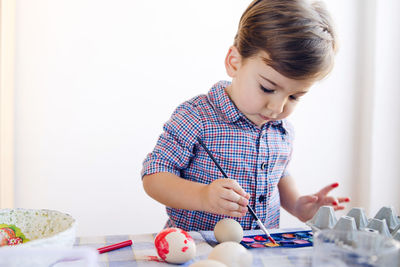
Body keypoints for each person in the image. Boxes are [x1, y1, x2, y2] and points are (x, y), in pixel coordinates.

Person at [141, 0, 350, 231]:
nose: (278, 108)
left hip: (259, 249)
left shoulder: (282, 130)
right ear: (234, 62)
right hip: (197, 250)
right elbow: (154, 177)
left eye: (294, 97)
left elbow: (278, 176)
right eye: (267, 88)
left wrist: (299, 206)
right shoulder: (196, 117)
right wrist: (203, 196)